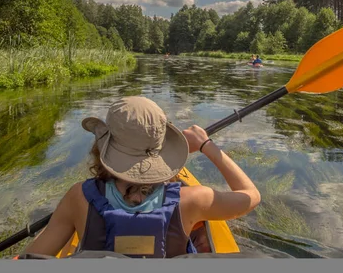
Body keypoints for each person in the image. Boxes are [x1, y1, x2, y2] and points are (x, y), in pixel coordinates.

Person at [22, 96, 261, 258]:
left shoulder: (79, 197)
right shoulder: (194, 200)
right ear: (162, 150)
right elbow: (251, 196)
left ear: (103, 147)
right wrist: (206, 145)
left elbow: (31, 260)